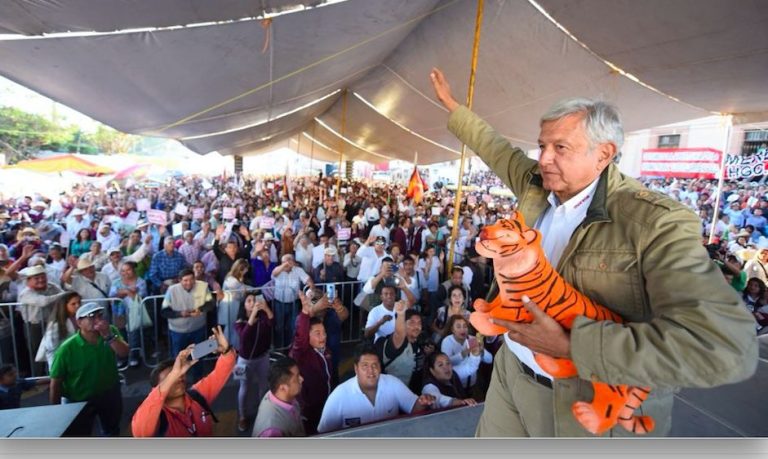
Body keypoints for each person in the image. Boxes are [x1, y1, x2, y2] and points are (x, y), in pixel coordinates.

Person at [429, 67, 758, 437]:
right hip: (511, 379)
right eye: (542, 146)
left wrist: (573, 346)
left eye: (560, 148)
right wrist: (453, 106)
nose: (543, 159)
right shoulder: (537, 186)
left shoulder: (654, 222)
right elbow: (495, 147)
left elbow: (725, 348)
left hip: (590, 404)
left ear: (603, 154)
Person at [131, 325, 236, 437]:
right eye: (170, 378)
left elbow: (221, 372)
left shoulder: (196, 396)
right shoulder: (157, 418)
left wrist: (226, 351)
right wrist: (174, 374)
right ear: (156, 389)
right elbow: (140, 433)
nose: (179, 378)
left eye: (180, 374)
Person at [49, 302, 129, 436]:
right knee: (80, 435)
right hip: (79, 399)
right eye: (92, 317)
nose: (98, 320)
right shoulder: (67, 349)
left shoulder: (111, 331)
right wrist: (56, 412)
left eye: (100, 316)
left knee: (112, 430)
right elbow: (55, 382)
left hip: (109, 393)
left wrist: (108, 336)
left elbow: (124, 352)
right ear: (79, 322)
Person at [316, 344, 435, 434]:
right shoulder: (339, 396)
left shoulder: (392, 383)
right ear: (356, 368)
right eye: (365, 366)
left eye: (375, 365)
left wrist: (422, 402)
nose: (371, 371)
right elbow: (323, 435)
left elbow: (413, 407)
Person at [288, 290, 333, 435]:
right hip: (309, 411)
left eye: (324, 332)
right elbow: (300, 338)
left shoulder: (325, 350)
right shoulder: (301, 354)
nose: (323, 337)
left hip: (326, 404)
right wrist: (305, 313)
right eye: (317, 334)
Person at [161, 269, 216, 380]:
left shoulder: (203, 286)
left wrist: (200, 309)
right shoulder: (171, 290)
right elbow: (164, 311)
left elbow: (211, 304)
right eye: (185, 280)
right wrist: (180, 313)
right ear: (179, 280)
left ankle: (198, 382)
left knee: (199, 357)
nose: (189, 282)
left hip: (199, 329)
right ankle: (177, 381)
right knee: (178, 359)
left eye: (191, 279)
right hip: (177, 332)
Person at [233, 293, 274, 433]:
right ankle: (242, 416)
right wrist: (253, 316)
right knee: (243, 388)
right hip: (243, 360)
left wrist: (267, 309)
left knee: (264, 385)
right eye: (248, 301)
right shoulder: (239, 322)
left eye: (254, 300)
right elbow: (244, 336)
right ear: (243, 305)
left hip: (262, 357)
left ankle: (263, 411)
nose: (252, 303)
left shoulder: (262, 317)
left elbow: (272, 323)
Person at [375, 299, 434, 393]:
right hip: (394, 396)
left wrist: (427, 355)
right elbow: (399, 334)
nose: (417, 326)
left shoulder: (419, 343)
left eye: (419, 323)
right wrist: (401, 314)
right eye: (411, 323)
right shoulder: (396, 343)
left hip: (414, 395)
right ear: (402, 324)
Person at [251, 357, 306, 437]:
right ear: (283, 388)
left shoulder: (275, 393)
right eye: (297, 377)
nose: (302, 379)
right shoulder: (272, 432)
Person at [439, 315, 492, 392]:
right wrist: (465, 352)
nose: (462, 329)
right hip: (454, 384)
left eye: (465, 326)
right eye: (458, 327)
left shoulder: (473, 339)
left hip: (472, 384)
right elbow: (447, 363)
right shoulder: (447, 341)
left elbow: (490, 360)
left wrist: (482, 350)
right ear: (452, 329)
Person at [271, 254, 314, 348]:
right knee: (279, 326)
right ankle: (279, 348)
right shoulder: (278, 270)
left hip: (294, 303)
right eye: (284, 261)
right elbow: (274, 273)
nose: (287, 263)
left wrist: (310, 290)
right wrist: (284, 265)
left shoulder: (298, 270)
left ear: (293, 261)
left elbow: (309, 281)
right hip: (279, 303)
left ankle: (291, 347)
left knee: (293, 326)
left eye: (290, 260)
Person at [34, 291, 81, 370]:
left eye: (79, 302)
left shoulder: (78, 318)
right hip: (61, 361)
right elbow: (51, 348)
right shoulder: (56, 324)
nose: (78, 306)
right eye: (73, 304)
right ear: (64, 306)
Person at [219, 258, 250, 349]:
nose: (246, 271)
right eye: (245, 269)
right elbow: (238, 295)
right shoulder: (231, 280)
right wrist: (245, 291)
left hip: (233, 306)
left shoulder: (235, 278)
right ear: (240, 269)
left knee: (233, 328)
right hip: (229, 307)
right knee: (230, 328)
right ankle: (228, 347)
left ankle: (233, 347)